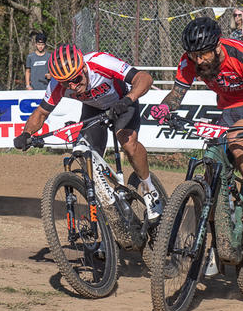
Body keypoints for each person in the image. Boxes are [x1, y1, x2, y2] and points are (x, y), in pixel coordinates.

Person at [155, 17, 243, 233]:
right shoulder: (189, 60)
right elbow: (176, 94)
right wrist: (164, 108)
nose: (199, 61)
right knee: (213, 153)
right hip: (229, 107)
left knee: (235, 138)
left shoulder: (242, 56)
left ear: (217, 46)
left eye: (203, 54)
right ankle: (221, 214)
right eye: (194, 55)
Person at [12, 44, 162, 219]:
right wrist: (26, 134)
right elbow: (41, 113)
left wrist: (128, 100)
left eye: (76, 79)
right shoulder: (58, 84)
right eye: (66, 83)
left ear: (83, 68)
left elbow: (144, 78)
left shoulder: (100, 62)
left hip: (122, 102)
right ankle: (108, 207)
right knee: (87, 157)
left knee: (128, 143)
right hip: (94, 109)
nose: (73, 86)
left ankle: (149, 190)